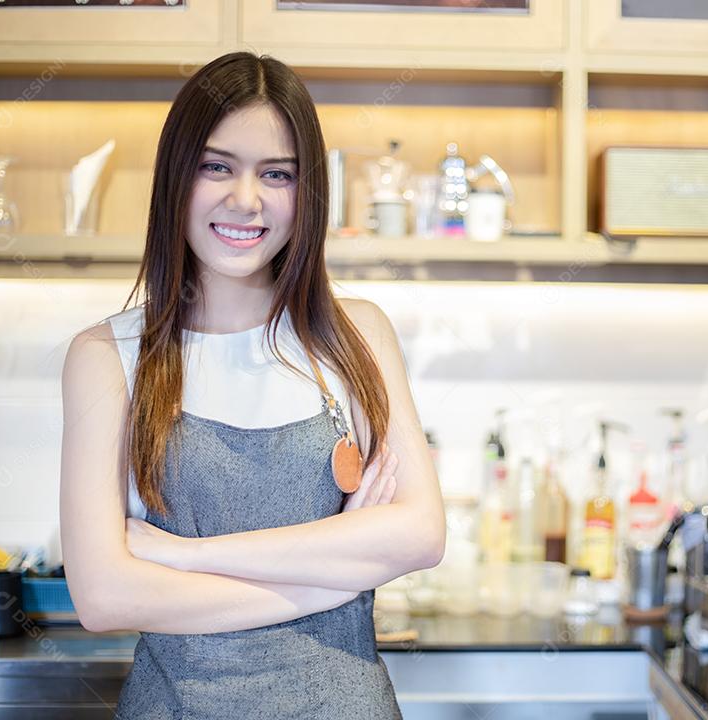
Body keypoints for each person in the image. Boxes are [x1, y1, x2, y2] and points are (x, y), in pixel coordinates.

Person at [58, 51, 445, 719]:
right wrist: (334, 583)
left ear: (308, 191)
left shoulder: (358, 334)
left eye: (277, 174)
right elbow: (104, 596)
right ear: (175, 177)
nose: (246, 199)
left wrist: (185, 558)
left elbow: (420, 535)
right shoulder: (106, 356)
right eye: (216, 166)